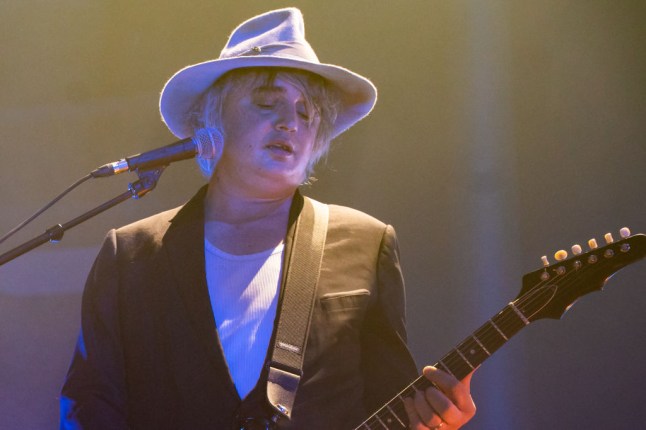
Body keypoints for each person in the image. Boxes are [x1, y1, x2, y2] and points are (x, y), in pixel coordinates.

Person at [60, 8, 476, 430]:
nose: (289, 123)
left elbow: (390, 402)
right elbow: (90, 403)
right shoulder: (132, 253)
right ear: (211, 120)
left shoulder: (367, 242)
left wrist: (434, 421)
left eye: (307, 113)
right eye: (266, 102)